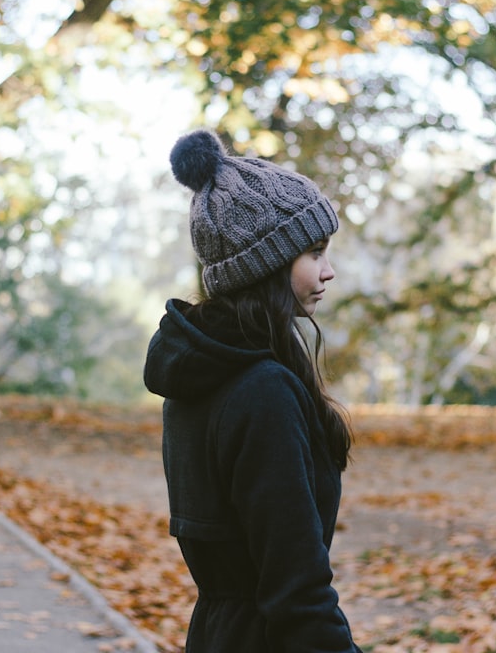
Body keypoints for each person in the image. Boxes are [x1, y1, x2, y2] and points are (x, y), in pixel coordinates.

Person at [143, 129, 361, 652]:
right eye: (314, 252)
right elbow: (296, 591)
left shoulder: (198, 373)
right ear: (266, 261)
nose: (328, 271)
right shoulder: (263, 390)